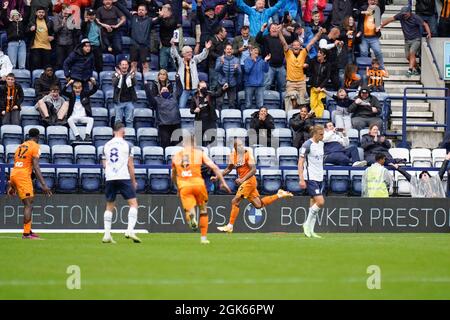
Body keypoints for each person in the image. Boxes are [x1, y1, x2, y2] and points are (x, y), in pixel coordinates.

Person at [215, 138, 293, 233]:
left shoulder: (248, 154)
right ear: (234, 148)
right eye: (239, 146)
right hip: (246, 182)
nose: (241, 147)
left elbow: (254, 170)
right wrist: (217, 177)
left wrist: (242, 179)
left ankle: (230, 226)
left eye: (242, 145)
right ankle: (279, 194)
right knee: (258, 205)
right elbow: (228, 169)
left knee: (235, 201)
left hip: (249, 181)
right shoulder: (233, 155)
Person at [172, 132, 231, 244]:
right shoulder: (199, 153)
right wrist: (223, 182)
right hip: (199, 184)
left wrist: (178, 187)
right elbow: (214, 167)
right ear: (194, 143)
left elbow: (173, 175)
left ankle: (192, 216)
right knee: (203, 210)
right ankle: (203, 239)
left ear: (183, 143)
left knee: (190, 210)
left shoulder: (177, 156)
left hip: (184, 186)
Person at [7, 128, 52, 240]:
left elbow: (19, 163)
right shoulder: (35, 146)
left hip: (14, 174)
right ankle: (26, 234)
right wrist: (44, 185)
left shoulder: (20, 146)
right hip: (23, 176)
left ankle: (29, 230)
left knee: (28, 202)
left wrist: (12, 185)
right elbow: (36, 166)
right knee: (28, 204)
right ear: (38, 137)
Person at [102, 122, 141, 244]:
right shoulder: (127, 145)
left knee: (109, 206)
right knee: (133, 204)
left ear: (113, 131)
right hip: (123, 176)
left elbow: (104, 164)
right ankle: (130, 230)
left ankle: (107, 235)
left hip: (110, 177)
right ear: (123, 131)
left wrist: (110, 171)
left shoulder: (106, 145)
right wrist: (133, 181)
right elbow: (130, 165)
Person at [381, 6, 432, 77]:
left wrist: (429, 33)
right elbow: (390, 19)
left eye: (405, 14)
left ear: (409, 13)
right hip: (407, 40)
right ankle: (417, 69)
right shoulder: (400, 16)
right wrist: (381, 26)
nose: (404, 15)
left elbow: (425, 24)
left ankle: (410, 70)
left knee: (412, 52)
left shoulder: (416, 18)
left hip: (416, 39)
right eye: (403, 14)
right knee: (408, 57)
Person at [278, 26, 323, 106]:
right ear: (292, 46)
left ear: (300, 46)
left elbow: (312, 42)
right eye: (294, 45)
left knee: (301, 103)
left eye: (297, 45)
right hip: (291, 83)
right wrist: (279, 32)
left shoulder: (303, 52)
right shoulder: (288, 53)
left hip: (301, 82)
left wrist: (319, 33)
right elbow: (284, 42)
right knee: (291, 102)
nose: (296, 46)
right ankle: (290, 117)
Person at [298, 124, 325, 238]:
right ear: (315, 134)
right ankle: (306, 224)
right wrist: (301, 179)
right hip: (310, 177)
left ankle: (311, 231)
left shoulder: (321, 144)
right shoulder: (307, 145)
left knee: (313, 205)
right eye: (321, 134)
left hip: (320, 177)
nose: (323, 136)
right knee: (320, 202)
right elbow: (300, 162)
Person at [171, 39, 212, 109]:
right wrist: (173, 46)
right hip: (184, 89)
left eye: (191, 52)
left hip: (195, 89)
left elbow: (202, 56)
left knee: (200, 106)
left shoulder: (194, 60)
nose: (190, 53)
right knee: (181, 106)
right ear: (183, 54)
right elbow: (175, 55)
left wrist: (206, 49)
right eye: (187, 52)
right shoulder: (180, 61)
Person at [145, 85, 181, 149]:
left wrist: (177, 78)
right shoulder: (156, 99)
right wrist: (146, 86)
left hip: (176, 124)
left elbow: (179, 89)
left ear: (169, 91)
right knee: (165, 143)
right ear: (160, 92)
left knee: (178, 144)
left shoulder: (174, 97)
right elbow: (149, 97)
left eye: (166, 90)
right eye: (163, 90)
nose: (165, 91)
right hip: (163, 125)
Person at [122, 3, 153, 73]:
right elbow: (124, 10)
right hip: (134, 45)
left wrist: (161, 16)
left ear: (146, 11)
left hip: (144, 46)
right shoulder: (133, 18)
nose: (140, 11)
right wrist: (116, 2)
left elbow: (159, 19)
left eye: (142, 10)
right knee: (133, 64)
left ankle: (146, 81)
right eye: (139, 10)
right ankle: (134, 82)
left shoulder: (149, 20)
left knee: (145, 65)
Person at [256, 23, 286, 92]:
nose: (274, 29)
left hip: (281, 66)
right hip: (269, 66)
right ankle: (265, 102)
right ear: (269, 30)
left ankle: (282, 102)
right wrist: (262, 29)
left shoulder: (282, 38)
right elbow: (257, 39)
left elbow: (291, 39)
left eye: (276, 28)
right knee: (267, 85)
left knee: (283, 86)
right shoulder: (266, 37)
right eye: (273, 28)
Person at [357, 0, 384, 68]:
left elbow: (378, 21)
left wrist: (378, 27)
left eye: (374, 0)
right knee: (364, 53)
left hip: (374, 36)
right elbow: (355, 13)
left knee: (378, 52)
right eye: (371, 0)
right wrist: (363, 12)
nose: (372, 2)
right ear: (368, 1)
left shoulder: (377, 9)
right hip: (364, 36)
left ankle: (382, 68)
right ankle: (365, 69)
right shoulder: (363, 7)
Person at [112, 59, 137, 128]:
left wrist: (132, 77)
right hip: (118, 101)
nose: (124, 66)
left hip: (129, 101)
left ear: (128, 66)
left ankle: (129, 136)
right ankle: (118, 136)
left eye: (126, 65)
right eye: (123, 64)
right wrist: (119, 76)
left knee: (129, 120)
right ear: (120, 66)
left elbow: (135, 83)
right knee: (118, 121)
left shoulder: (131, 74)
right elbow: (114, 84)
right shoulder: (115, 74)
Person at [215, 43, 241, 109]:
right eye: (227, 49)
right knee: (219, 102)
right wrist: (221, 63)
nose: (229, 50)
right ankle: (218, 118)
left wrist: (236, 68)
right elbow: (216, 69)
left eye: (230, 49)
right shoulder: (220, 58)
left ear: (232, 50)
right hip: (221, 83)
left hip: (232, 84)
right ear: (224, 50)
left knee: (231, 103)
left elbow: (239, 72)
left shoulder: (236, 60)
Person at [308, 48, 331, 118]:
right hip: (313, 87)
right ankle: (313, 117)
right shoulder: (313, 62)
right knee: (312, 104)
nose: (318, 54)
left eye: (320, 53)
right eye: (318, 53)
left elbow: (327, 77)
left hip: (321, 88)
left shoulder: (328, 65)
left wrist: (320, 87)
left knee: (320, 103)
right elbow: (310, 73)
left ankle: (319, 117)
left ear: (324, 55)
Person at [153, 4, 177, 70]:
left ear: (169, 12)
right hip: (163, 46)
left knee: (175, 65)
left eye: (164, 11)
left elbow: (167, 25)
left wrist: (161, 17)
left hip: (173, 47)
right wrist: (159, 17)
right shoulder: (162, 18)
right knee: (162, 66)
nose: (162, 13)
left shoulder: (173, 19)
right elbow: (153, 23)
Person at [81, 8, 103, 73]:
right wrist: (85, 21)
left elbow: (102, 35)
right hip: (88, 46)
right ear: (87, 16)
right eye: (89, 15)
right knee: (88, 63)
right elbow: (82, 29)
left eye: (92, 15)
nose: (91, 16)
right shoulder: (85, 23)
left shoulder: (98, 23)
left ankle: (99, 78)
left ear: (95, 15)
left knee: (99, 64)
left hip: (97, 46)